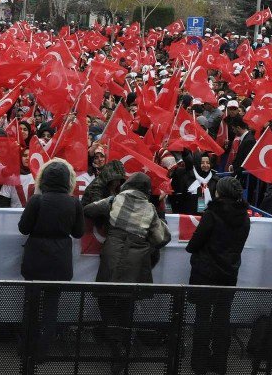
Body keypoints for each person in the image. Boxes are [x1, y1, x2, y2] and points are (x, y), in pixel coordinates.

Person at [85, 172, 171, 373]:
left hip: (112, 254)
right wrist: (161, 213)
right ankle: (123, 347)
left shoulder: (116, 199)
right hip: (136, 260)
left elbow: (89, 210)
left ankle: (114, 344)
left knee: (105, 300)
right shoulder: (150, 208)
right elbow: (161, 238)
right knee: (126, 305)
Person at [17, 158, 85, 363]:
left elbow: (23, 228)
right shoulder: (74, 202)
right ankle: (42, 352)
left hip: (36, 256)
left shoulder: (37, 200)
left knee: (31, 305)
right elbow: (79, 232)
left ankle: (25, 348)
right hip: (60, 259)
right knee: (51, 308)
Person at [185, 177, 250, 375]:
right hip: (229, 273)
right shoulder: (244, 217)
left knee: (202, 317)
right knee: (223, 318)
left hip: (205, 272)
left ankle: (199, 363)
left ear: (220, 192)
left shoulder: (212, 213)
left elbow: (195, 243)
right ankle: (220, 362)